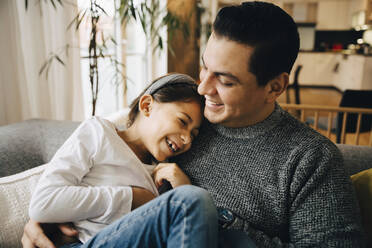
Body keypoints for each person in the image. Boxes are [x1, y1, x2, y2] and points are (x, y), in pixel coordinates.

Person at [22, 1, 365, 247]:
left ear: (274, 86)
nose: (203, 88)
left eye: (224, 80)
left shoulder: (311, 159)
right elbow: (109, 146)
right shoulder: (187, 120)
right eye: (204, 68)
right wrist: (41, 219)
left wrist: (218, 215)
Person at [27, 73, 218, 247]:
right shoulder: (99, 133)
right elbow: (43, 203)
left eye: (193, 134)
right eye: (182, 121)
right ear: (147, 106)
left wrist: (182, 187)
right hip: (88, 242)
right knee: (191, 200)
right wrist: (131, 197)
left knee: (234, 238)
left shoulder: (162, 172)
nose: (187, 139)